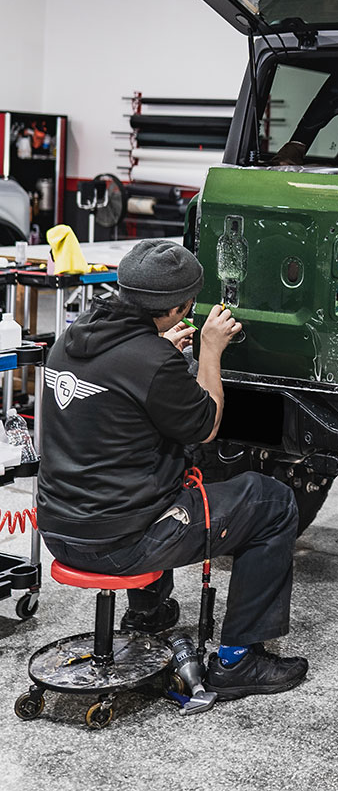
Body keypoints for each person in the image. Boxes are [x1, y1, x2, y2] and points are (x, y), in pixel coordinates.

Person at [37, 239, 308, 699]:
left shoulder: (73, 336)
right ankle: (239, 659)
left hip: (59, 529)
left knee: (153, 471)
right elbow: (206, 425)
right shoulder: (152, 360)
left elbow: (124, 389)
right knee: (272, 501)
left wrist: (159, 347)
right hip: (119, 543)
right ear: (181, 307)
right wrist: (210, 349)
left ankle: (148, 617)